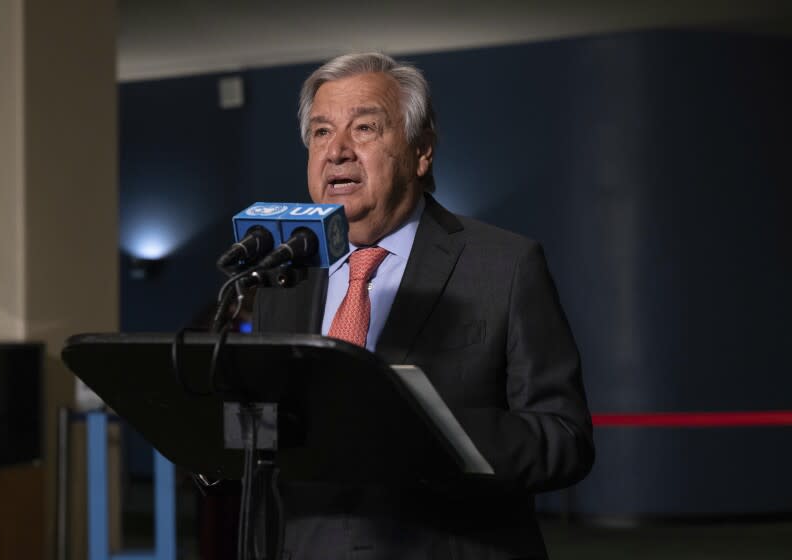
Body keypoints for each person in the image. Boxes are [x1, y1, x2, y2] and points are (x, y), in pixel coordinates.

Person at [253, 52, 594, 560]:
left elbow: (563, 438)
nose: (338, 151)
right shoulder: (285, 273)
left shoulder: (504, 264)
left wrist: (431, 431)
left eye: (364, 128)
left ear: (421, 151)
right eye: (322, 133)